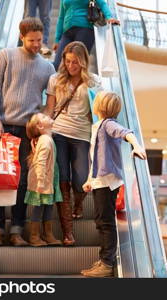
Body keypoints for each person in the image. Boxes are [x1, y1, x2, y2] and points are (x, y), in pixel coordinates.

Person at [0, 17, 56, 247]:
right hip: (3, 126)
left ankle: (16, 230)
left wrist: (43, 120)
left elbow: (52, 99)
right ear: (21, 37)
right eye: (32, 40)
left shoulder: (47, 67)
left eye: (40, 40)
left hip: (29, 132)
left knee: (23, 181)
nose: (37, 44)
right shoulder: (6, 55)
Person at [80, 91, 146, 277]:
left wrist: (136, 145)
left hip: (107, 182)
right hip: (99, 180)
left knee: (106, 222)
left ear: (101, 106)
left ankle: (107, 264)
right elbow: (95, 157)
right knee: (101, 221)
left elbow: (125, 133)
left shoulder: (108, 124)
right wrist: (89, 180)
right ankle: (104, 260)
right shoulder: (98, 125)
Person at [45, 41, 101, 246]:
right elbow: (49, 109)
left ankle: (79, 205)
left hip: (82, 135)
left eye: (75, 62)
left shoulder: (94, 82)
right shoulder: (55, 79)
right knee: (63, 182)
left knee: (81, 181)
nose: (71, 66)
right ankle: (68, 233)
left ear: (83, 61)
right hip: (58, 132)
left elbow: (98, 111)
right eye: (68, 61)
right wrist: (44, 132)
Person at [24, 113, 62, 247]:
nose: (48, 116)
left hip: (48, 180)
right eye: (44, 117)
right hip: (42, 182)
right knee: (39, 208)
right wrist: (40, 182)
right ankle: (34, 236)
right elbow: (40, 162)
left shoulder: (47, 138)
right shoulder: (45, 140)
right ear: (40, 126)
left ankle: (48, 234)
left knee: (48, 207)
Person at [53, 0, 120, 71]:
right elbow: (61, 17)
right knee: (57, 64)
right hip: (67, 32)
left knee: (77, 63)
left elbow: (102, 3)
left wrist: (109, 17)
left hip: (85, 29)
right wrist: (57, 39)